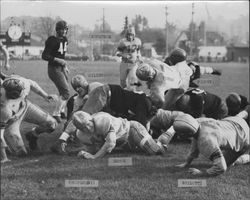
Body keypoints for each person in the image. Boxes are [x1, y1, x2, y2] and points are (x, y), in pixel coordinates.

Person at [51, 84, 157, 154]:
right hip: (105, 93)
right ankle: (61, 141)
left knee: (94, 124)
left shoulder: (142, 102)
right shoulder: (144, 104)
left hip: (108, 100)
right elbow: (140, 124)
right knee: (83, 116)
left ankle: (70, 139)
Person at [150, 108, 250, 176]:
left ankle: (247, 158)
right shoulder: (197, 121)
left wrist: (202, 173)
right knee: (240, 116)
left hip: (243, 138)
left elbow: (221, 168)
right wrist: (187, 163)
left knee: (228, 164)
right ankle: (246, 110)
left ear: (187, 134)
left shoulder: (206, 142)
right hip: (234, 121)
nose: (180, 135)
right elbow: (195, 140)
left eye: (181, 134)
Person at [0, 75, 57, 163]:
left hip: (26, 107)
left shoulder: (23, 83)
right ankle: (10, 142)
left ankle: (33, 134)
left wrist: (45, 95)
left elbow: (32, 83)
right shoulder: (3, 108)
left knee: (52, 124)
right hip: (11, 121)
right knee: (21, 153)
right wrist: (4, 157)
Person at [69, 111, 165, 159]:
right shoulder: (80, 135)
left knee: (154, 151)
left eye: (88, 124)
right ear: (79, 129)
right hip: (123, 143)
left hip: (131, 130)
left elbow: (110, 143)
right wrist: (87, 154)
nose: (88, 129)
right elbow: (93, 150)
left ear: (91, 119)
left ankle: (162, 142)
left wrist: (94, 157)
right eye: (83, 128)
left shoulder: (103, 120)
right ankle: (153, 140)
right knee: (140, 150)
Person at [42, 20, 70, 123]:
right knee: (66, 92)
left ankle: (62, 111)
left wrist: (65, 66)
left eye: (65, 29)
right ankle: (56, 114)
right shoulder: (52, 40)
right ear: (57, 30)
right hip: (53, 69)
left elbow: (62, 56)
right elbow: (44, 56)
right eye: (61, 29)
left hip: (61, 68)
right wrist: (58, 60)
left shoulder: (65, 39)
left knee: (64, 92)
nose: (63, 31)